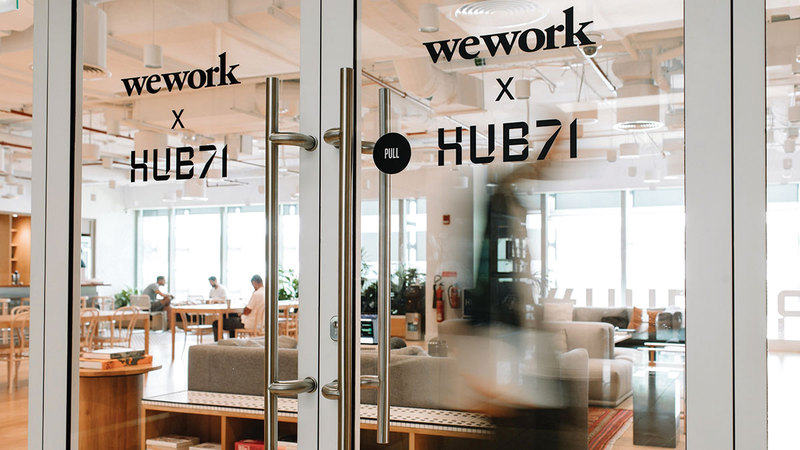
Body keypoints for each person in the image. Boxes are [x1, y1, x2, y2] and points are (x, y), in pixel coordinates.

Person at [212, 274, 266, 340]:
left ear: (254, 282)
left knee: (216, 323)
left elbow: (247, 311)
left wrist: (243, 312)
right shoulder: (266, 293)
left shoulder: (256, 294)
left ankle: (219, 343)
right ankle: (231, 342)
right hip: (260, 324)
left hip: (248, 324)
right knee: (232, 317)